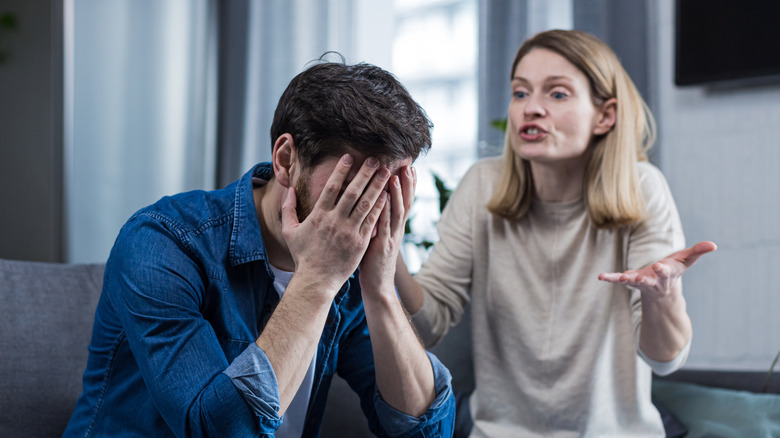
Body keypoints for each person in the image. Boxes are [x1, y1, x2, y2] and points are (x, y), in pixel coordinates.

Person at [64, 60, 456, 437]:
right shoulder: (162, 242)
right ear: (286, 160)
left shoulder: (352, 263)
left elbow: (427, 433)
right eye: (354, 185)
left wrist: (381, 289)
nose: (369, 208)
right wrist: (317, 279)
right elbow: (223, 431)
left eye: (390, 186)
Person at [394, 29, 716, 437]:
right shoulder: (481, 186)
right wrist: (390, 257)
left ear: (606, 115)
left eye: (557, 94)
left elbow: (665, 359)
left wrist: (661, 297)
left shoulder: (642, 188)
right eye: (521, 93)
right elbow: (428, 324)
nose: (532, 109)